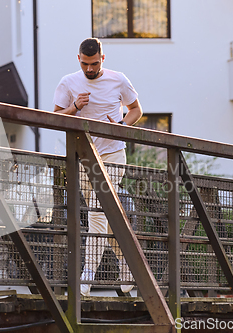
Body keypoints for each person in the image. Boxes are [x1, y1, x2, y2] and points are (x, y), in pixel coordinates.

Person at [53, 38, 142, 296]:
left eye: (93, 64)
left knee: (96, 212)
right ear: (78, 59)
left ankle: (87, 276)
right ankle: (127, 267)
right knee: (106, 215)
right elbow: (54, 119)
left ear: (103, 59)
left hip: (113, 155)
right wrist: (75, 107)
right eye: (84, 64)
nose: (89, 69)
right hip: (84, 158)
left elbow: (136, 109)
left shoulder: (119, 79)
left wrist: (123, 126)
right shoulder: (68, 82)